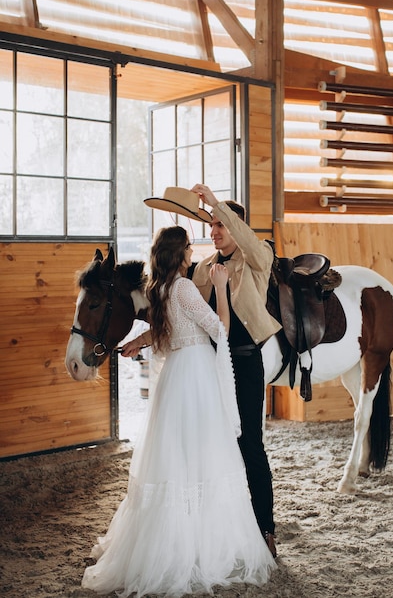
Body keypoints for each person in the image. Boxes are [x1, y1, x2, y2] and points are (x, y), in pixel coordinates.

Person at [82, 226, 276, 598]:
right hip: (197, 374)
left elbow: (164, 334)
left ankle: (175, 535)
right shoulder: (185, 287)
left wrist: (136, 341)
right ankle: (202, 542)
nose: (193, 251)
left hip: (175, 376)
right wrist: (220, 287)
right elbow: (219, 329)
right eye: (190, 246)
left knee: (177, 455)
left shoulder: (160, 289)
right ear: (181, 254)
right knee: (206, 453)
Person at [189, 184, 282, 559]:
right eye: (211, 225)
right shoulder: (201, 269)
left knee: (250, 445)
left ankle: (265, 529)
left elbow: (251, 243)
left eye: (221, 225)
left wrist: (216, 202)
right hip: (208, 365)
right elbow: (187, 314)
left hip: (245, 363)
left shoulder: (259, 259)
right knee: (211, 445)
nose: (214, 231)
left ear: (236, 226)